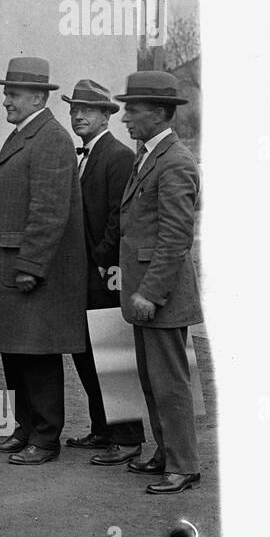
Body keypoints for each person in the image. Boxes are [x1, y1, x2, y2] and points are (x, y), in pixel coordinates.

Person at [0, 57, 87, 465]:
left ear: (38, 97)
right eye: (6, 93)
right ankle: (25, 428)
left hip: (26, 272)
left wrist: (31, 266)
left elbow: (50, 210)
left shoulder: (50, 138)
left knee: (37, 356)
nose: (6, 101)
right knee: (16, 353)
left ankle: (46, 437)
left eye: (13, 94)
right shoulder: (26, 134)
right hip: (11, 269)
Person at [114, 71, 203, 494]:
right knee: (152, 379)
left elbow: (175, 237)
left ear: (158, 113)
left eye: (133, 109)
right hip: (146, 290)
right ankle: (166, 453)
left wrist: (150, 292)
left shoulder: (175, 161)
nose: (125, 116)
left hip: (159, 293)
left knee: (170, 383)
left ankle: (184, 465)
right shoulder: (150, 155)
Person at [61, 79, 146, 465]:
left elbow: (119, 216)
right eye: (75, 109)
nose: (78, 115)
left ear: (105, 116)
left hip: (106, 271)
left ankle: (127, 439)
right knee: (87, 354)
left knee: (112, 353)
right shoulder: (86, 156)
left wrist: (98, 258)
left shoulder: (117, 156)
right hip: (84, 272)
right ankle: (102, 428)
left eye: (88, 110)